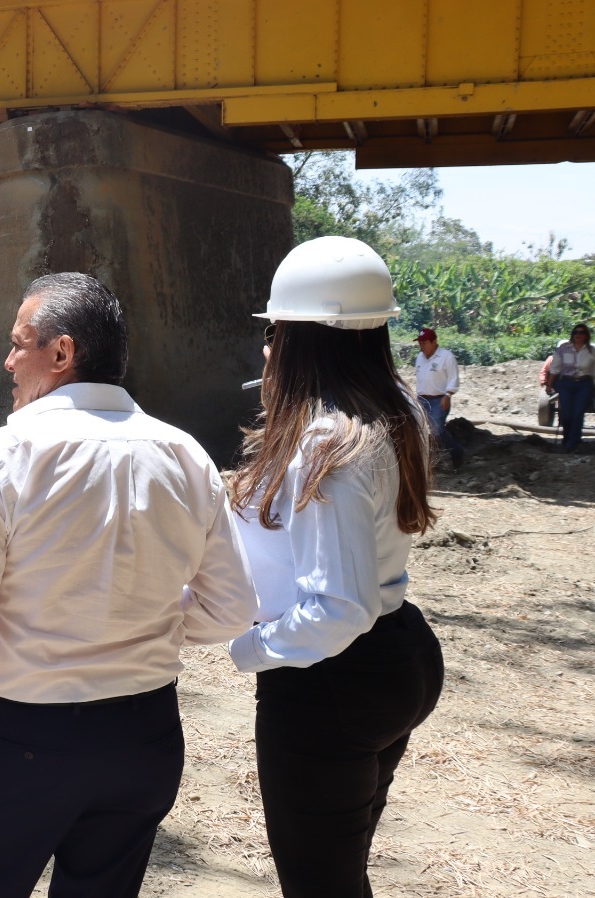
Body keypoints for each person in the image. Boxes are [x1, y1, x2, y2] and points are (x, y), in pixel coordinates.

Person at [0, 273, 258, 898]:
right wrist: (143, 623)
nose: (7, 362)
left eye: (18, 343)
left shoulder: (6, 453)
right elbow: (233, 608)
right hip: (146, 737)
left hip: (28, 740)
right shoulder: (186, 455)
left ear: (62, 353)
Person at [229, 236, 445, 898]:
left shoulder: (330, 441)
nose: (266, 348)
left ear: (304, 338)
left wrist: (251, 649)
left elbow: (337, 609)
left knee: (318, 882)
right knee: (339, 866)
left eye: (274, 333)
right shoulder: (395, 406)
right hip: (398, 652)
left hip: (329, 684)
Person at [412, 327, 464, 467]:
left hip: (439, 399)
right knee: (420, 429)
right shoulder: (419, 358)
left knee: (436, 429)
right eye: (420, 343)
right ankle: (427, 459)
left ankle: (456, 452)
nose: (422, 346)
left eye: (425, 343)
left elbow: (454, 378)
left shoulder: (446, 357)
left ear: (434, 342)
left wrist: (448, 395)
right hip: (422, 399)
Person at [548, 323, 594, 450]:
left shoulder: (591, 351)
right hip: (566, 383)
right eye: (576, 332)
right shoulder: (563, 348)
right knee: (567, 414)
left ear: (586, 336)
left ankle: (573, 442)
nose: (578, 335)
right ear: (572, 334)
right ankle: (567, 437)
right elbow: (555, 367)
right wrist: (549, 384)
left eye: (582, 332)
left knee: (578, 413)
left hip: (584, 384)